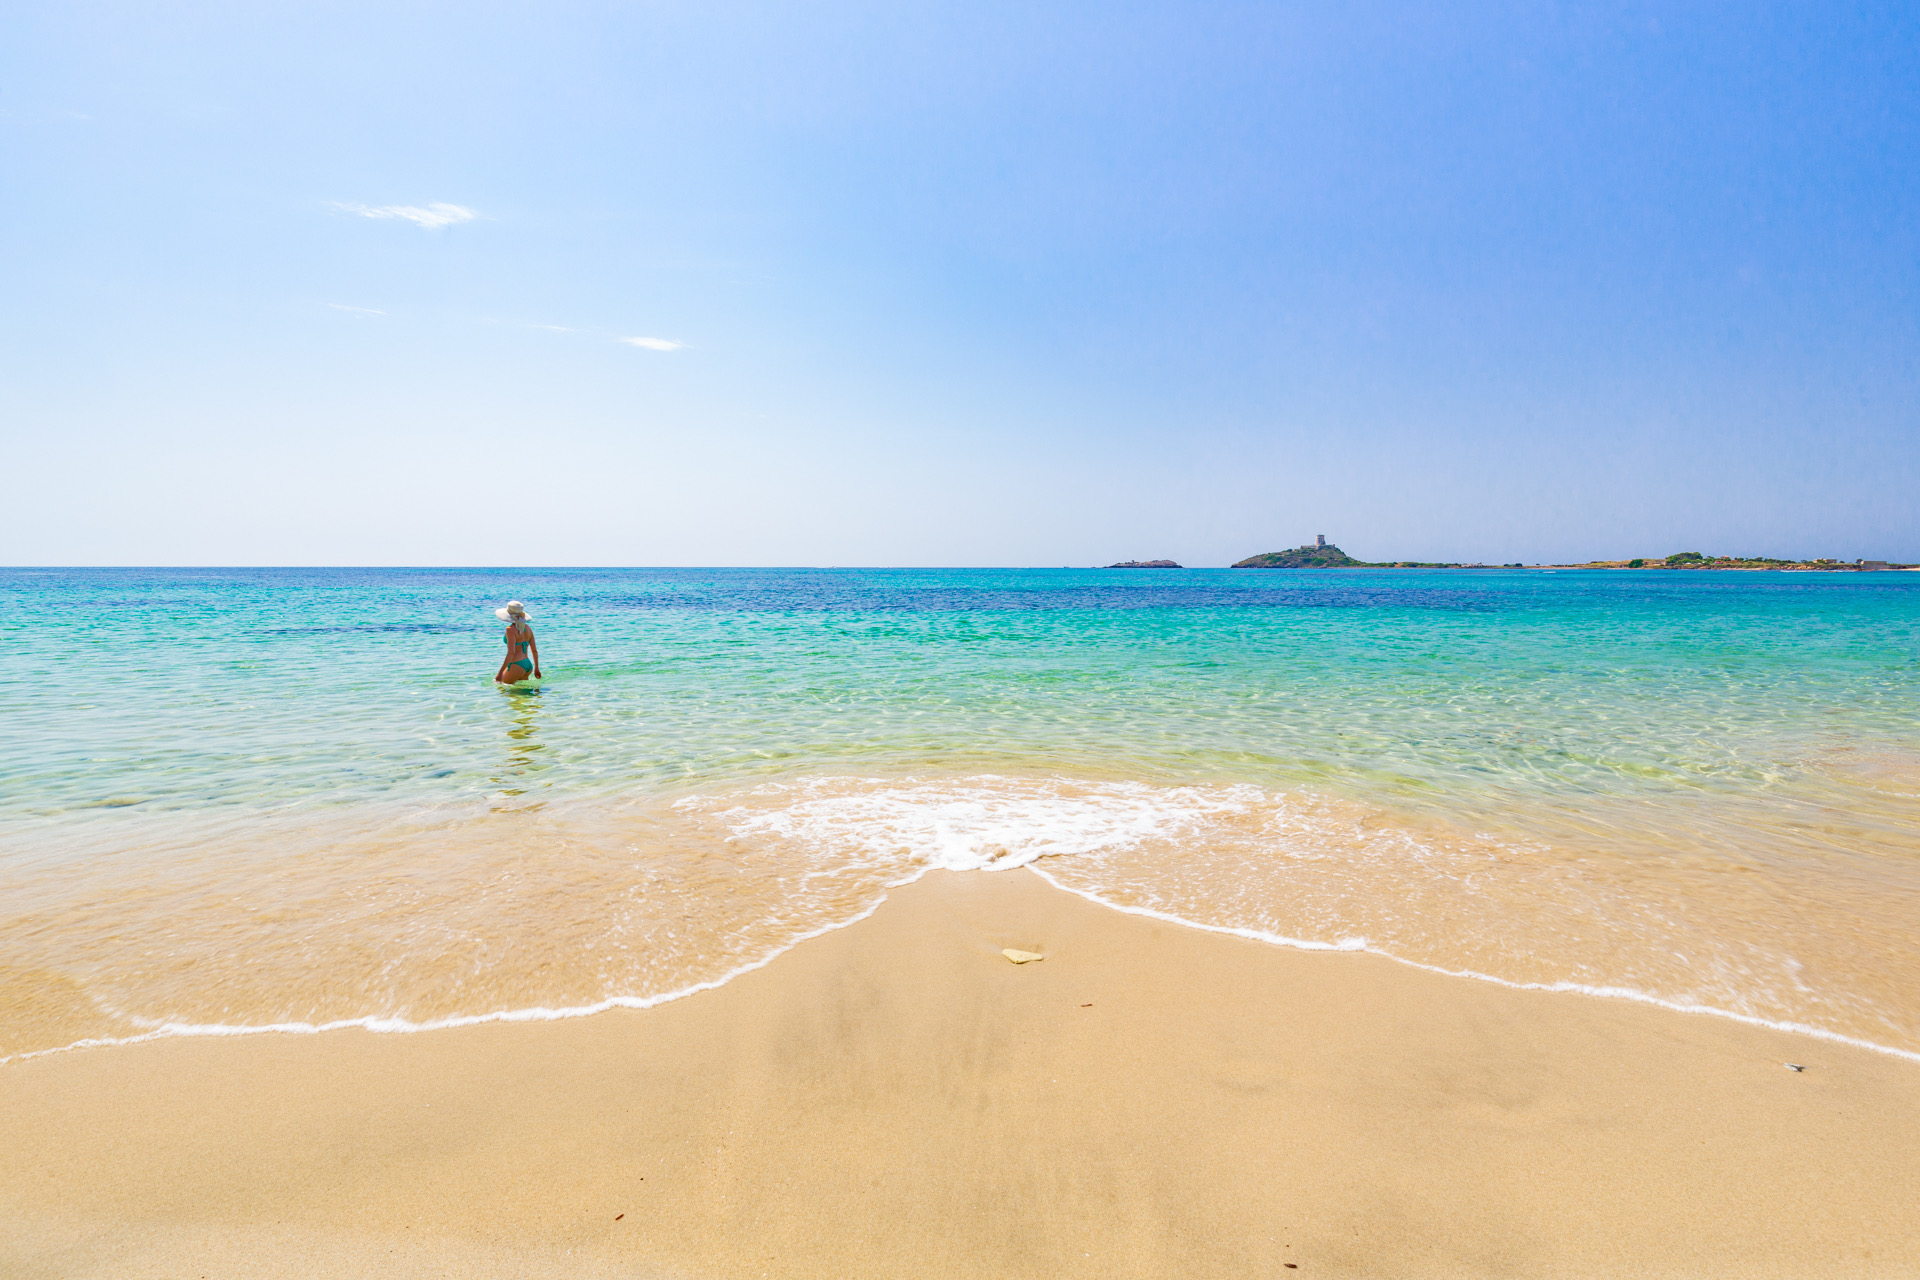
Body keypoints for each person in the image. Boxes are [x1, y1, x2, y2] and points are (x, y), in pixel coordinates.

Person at [493, 601, 542, 684]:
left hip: (516, 664)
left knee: (503, 690)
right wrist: (536, 668)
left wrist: (500, 672)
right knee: (522, 695)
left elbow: (511, 653)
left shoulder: (510, 629)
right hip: (528, 665)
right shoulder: (528, 628)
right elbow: (534, 651)